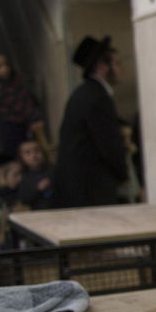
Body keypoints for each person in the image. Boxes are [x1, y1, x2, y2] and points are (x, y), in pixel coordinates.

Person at [52, 35, 127, 207]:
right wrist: (123, 175)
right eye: (117, 63)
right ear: (102, 66)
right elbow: (108, 144)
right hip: (90, 188)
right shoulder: (98, 97)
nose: (121, 68)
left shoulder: (86, 93)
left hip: (79, 186)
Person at [0, 47, 46, 158]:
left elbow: (24, 94)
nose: (5, 69)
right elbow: (19, 107)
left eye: (6, 64)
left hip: (24, 120)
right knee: (20, 153)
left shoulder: (14, 76)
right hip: (14, 125)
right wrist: (34, 119)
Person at [14, 139, 54, 210]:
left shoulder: (53, 170)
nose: (34, 155)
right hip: (40, 213)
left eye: (37, 150)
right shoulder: (24, 177)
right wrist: (38, 189)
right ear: (21, 157)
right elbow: (24, 199)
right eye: (28, 153)